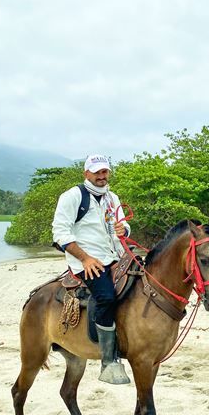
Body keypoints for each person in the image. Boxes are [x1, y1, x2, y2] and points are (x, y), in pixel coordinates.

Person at [51, 154, 132, 384]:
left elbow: (124, 225)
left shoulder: (112, 197)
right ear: (86, 173)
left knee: (139, 283)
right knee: (106, 296)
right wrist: (85, 259)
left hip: (114, 256)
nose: (101, 176)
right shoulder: (73, 196)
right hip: (86, 261)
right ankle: (108, 361)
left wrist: (123, 230)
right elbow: (60, 232)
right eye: (96, 172)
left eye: (104, 171)